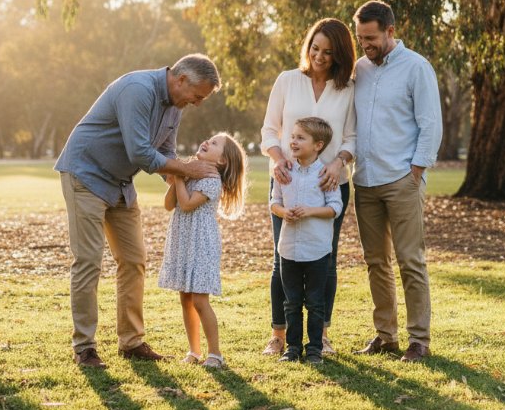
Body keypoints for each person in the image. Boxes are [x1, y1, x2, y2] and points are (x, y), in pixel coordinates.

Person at [54, 54, 222, 368]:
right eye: (198, 96)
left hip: (119, 182)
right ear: (181, 79)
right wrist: (187, 169)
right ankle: (85, 348)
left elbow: (165, 152)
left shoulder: (175, 105)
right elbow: (140, 151)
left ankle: (131, 343)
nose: (197, 103)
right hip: (86, 173)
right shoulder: (138, 89)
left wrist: (179, 175)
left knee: (134, 260)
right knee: (89, 261)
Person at [351, 0, 443, 362]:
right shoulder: (360, 68)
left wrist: (416, 171)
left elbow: (430, 123)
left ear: (390, 31)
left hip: (402, 180)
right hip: (366, 182)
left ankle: (419, 340)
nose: (365, 45)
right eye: (361, 38)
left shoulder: (416, 68)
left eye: (371, 37)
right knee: (376, 262)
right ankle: (385, 336)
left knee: (410, 261)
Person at [260, 18, 357, 357]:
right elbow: (270, 130)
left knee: (325, 262)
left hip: (330, 184)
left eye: (328, 52)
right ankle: (279, 335)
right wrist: (276, 158)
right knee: (281, 258)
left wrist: (339, 160)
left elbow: (352, 137)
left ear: (339, 55)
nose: (319, 56)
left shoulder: (347, 89)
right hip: (287, 182)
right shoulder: (288, 80)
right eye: (315, 48)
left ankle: (321, 334)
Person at [158, 133, 247, 369]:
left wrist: (179, 174)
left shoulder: (210, 178)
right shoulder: (192, 173)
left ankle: (215, 354)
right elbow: (169, 205)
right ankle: (194, 350)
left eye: (215, 143)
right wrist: (182, 173)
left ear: (222, 161)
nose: (207, 141)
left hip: (201, 242)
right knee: (185, 298)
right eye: (208, 139)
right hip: (184, 240)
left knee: (199, 299)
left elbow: (186, 205)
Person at [270, 117, 343, 364]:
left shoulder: (324, 174)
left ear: (318, 145)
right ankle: (292, 348)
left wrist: (310, 210)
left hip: (317, 250)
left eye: (300, 137)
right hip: (288, 248)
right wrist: (283, 212)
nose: (293, 141)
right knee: (291, 303)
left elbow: (335, 207)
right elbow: (274, 202)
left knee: (314, 302)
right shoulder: (283, 171)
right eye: (292, 136)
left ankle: (314, 349)